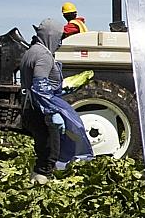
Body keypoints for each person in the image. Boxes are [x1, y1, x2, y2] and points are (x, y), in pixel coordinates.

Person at [20, 17, 95, 185]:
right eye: (59, 37)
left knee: (44, 146)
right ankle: (40, 182)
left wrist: (63, 88)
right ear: (51, 36)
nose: (60, 42)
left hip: (30, 105)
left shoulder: (31, 51)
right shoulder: (43, 56)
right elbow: (40, 86)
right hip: (41, 108)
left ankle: (38, 178)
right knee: (50, 149)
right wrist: (52, 111)